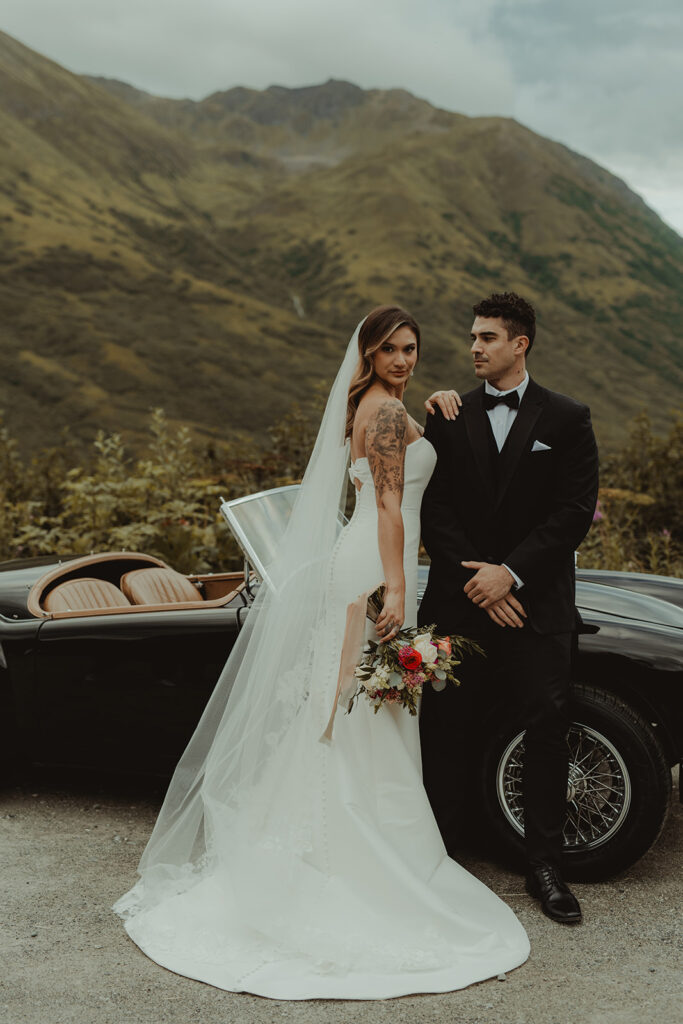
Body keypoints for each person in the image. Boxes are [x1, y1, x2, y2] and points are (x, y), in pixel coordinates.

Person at [114, 306, 529, 999]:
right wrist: (395, 589)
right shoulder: (388, 415)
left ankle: (335, 843)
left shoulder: (373, 405)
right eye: (390, 349)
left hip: (364, 559)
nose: (403, 359)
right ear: (368, 353)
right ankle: (360, 857)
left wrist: (432, 409)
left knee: (348, 707)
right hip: (375, 565)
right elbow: (393, 507)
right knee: (362, 707)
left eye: (411, 348)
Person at [420, 292, 599, 925]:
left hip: (536, 603)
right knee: (446, 724)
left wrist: (512, 575)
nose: (474, 347)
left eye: (488, 337)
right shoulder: (447, 415)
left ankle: (545, 864)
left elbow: (573, 511)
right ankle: (440, 851)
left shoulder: (569, 418)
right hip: (463, 600)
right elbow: (433, 509)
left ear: (519, 344)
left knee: (547, 725)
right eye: (472, 336)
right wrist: (480, 581)